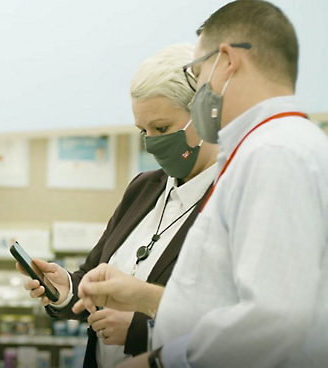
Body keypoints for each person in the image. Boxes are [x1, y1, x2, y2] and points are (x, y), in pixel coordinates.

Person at [73, 1, 328, 367]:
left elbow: (274, 321)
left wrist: (158, 361)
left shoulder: (277, 153)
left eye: (198, 69)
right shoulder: (261, 150)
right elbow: (221, 302)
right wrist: (142, 295)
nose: (199, 89)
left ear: (226, 61)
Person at [16, 44, 219, 368]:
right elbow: (95, 274)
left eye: (162, 128)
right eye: (143, 131)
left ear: (203, 114)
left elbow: (232, 320)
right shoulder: (143, 188)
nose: (151, 142)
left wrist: (141, 330)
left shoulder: (227, 199)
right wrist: (66, 288)